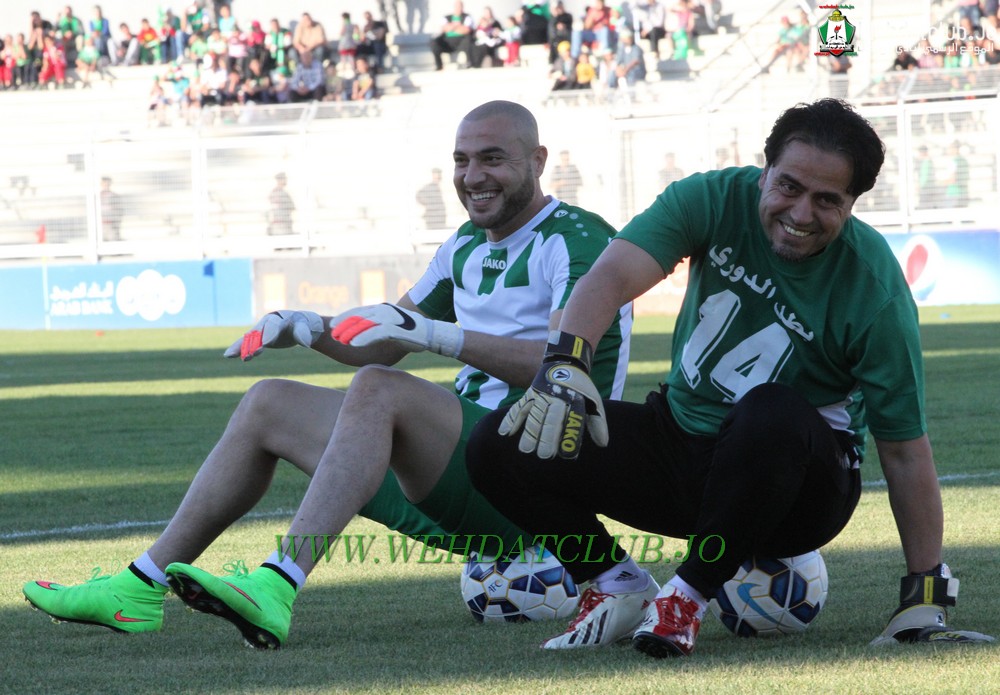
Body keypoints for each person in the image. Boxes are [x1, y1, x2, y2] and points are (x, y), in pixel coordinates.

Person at [22, 100, 633, 651]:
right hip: (468, 478)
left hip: (544, 476)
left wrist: (434, 335)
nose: (473, 176)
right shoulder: (464, 246)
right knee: (267, 402)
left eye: (493, 159)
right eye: (462, 160)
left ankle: (277, 583)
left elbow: (561, 365)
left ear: (538, 161)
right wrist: (307, 327)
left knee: (379, 392)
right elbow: (385, 341)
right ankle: (139, 587)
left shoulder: (579, 240)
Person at [466, 98, 995, 658]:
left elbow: (905, 450)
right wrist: (565, 362)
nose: (801, 213)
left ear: (852, 204)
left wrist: (925, 594)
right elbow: (613, 273)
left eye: (826, 200)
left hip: (797, 490)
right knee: (495, 443)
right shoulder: (713, 198)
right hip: (686, 447)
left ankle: (685, 597)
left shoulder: (874, 287)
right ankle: (616, 584)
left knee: (770, 408)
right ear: (764, 171)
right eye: (789, 186)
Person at [430, 0, 474, 70]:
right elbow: (444, 28)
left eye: (460, 6)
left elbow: (466, 30)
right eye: (457, 6)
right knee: (434, 42)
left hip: (462, 42)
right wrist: (458, 26)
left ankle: (469, 63)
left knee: (469, 40)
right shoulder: (447, 17)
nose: (458, 8)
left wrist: (452, 27)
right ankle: (439, 66)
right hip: (448, 42)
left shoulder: (467, 17)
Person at [99, 176, 124, 241]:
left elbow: (119, 211)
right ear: (101, 184)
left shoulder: (115, 196)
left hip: (111, 225)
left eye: (107, 183)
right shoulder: (97, 196)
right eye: (104, 183)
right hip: (100, 225)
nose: (106, 185)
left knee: (112, 241)